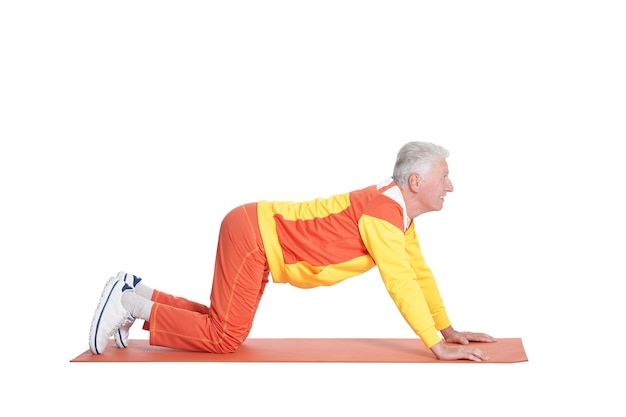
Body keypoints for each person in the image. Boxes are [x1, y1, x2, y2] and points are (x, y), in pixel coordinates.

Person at [89, 141, 496, 361]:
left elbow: (418, 273)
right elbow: (400, 282)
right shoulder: (383, 213)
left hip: (256, 235)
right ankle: (126, 304)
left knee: (222, 322)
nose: (451, 186)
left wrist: (447, 330)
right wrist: (433, 344)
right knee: (226, 337)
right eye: (444, 177)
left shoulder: (396, 212)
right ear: (415, 182)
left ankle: (136, 293)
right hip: (255, 237)